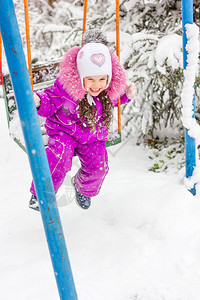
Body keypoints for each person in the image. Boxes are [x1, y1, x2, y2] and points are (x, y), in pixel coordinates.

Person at [29, 30, 137, 211]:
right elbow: (50, 100)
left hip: (92, 134)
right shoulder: (65, 87)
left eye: (102, 79)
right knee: (59, 158)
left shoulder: (106, 91)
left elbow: (114, 100)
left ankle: (83, 188)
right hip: (64, 131)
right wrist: (40, 101)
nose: (97, 85)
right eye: (91, 80)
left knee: (99, 166)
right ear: (80, 77)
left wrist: (125, 94)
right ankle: (42, 192)